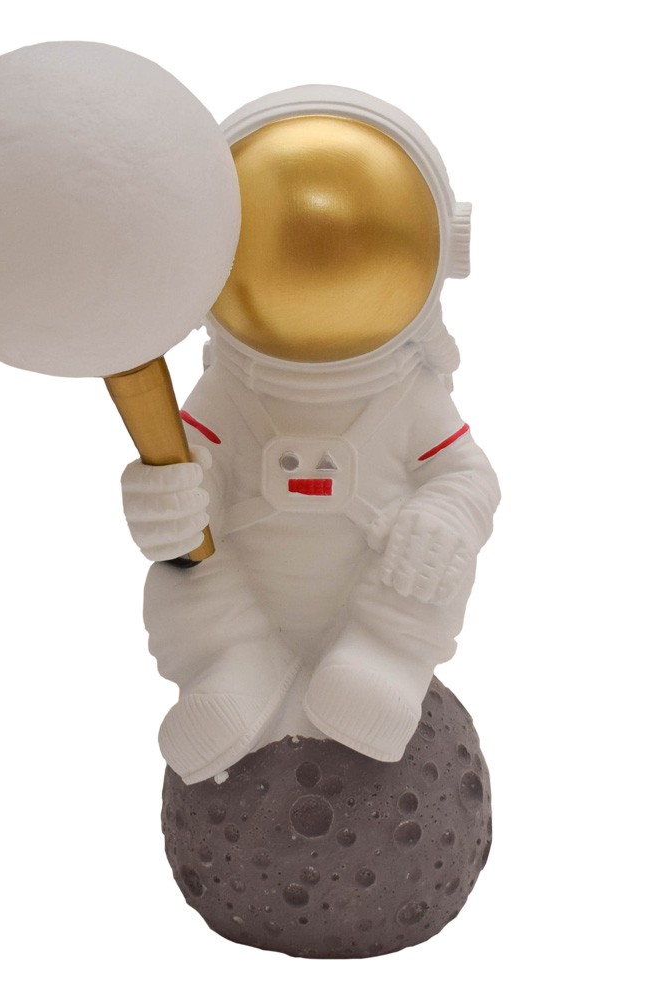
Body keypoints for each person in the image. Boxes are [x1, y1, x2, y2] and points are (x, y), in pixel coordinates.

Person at [121, 87, 500, 784]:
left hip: (376, 600)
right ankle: (232, 664)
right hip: (246, 598)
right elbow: (192, 460)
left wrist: (444, 516)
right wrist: (169, 498)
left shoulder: (407, 395)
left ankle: (382, 661)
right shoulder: (230, 392)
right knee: (187, 565)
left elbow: (467, 476)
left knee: (433, 561)